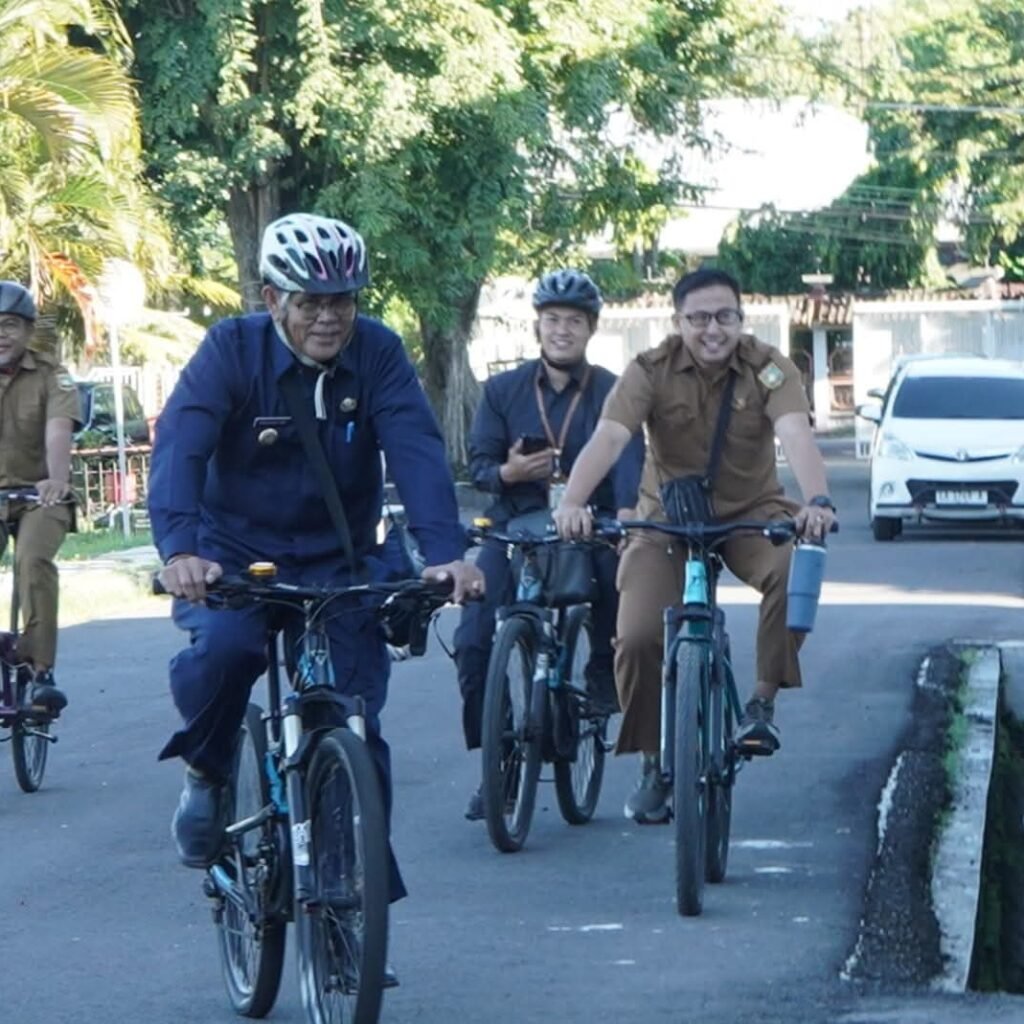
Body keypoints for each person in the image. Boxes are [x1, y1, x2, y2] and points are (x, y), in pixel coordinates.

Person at [149, 214, 484, 927]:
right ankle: (207, 772)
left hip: (341, 558)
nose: (329, 317)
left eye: (343, 301)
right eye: (310, 302)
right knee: (226, 653)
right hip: (233, 554)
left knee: (355, 713)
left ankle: (351, 879)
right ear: (273, 299)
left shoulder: (380, 353)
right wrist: (180, 550)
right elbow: (181, 447)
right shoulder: (229, 351)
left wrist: (445, 552)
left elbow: (417, 451)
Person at [553, 267, 837, 823]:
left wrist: (818, 501)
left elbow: (795, 435)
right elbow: (610, 437)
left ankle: (760, 701)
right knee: (634, 636)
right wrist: (572, 502)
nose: (713, 329)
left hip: (750, 513)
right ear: (678, 321)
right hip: (666, 521)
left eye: (724, 316)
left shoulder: (770, 369)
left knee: (790, 570)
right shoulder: (649, 370)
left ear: (740, 319)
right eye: (699, 318)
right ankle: (656, 761)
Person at [454, 268, 644, 821]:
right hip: (515, 523)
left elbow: (629, 461)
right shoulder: (502, 390)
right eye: (553, 320)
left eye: (575, 322)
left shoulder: (613, 389)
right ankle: (497, 760)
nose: (563, 331)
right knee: (471, 637)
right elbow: (480, 467)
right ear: (537, 326)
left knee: (619, 572)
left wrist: (624, 515)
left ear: (591, 329)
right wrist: (510, 472)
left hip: (591, 523)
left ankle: (602, 670)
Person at [0, 281, 79, 714]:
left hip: (40, 496)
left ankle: (41, 670)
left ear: (29, 331)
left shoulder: (52, 375)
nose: (1, 334)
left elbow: (58, 429)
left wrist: (55, 478)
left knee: (32, 560)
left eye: (10, 325)